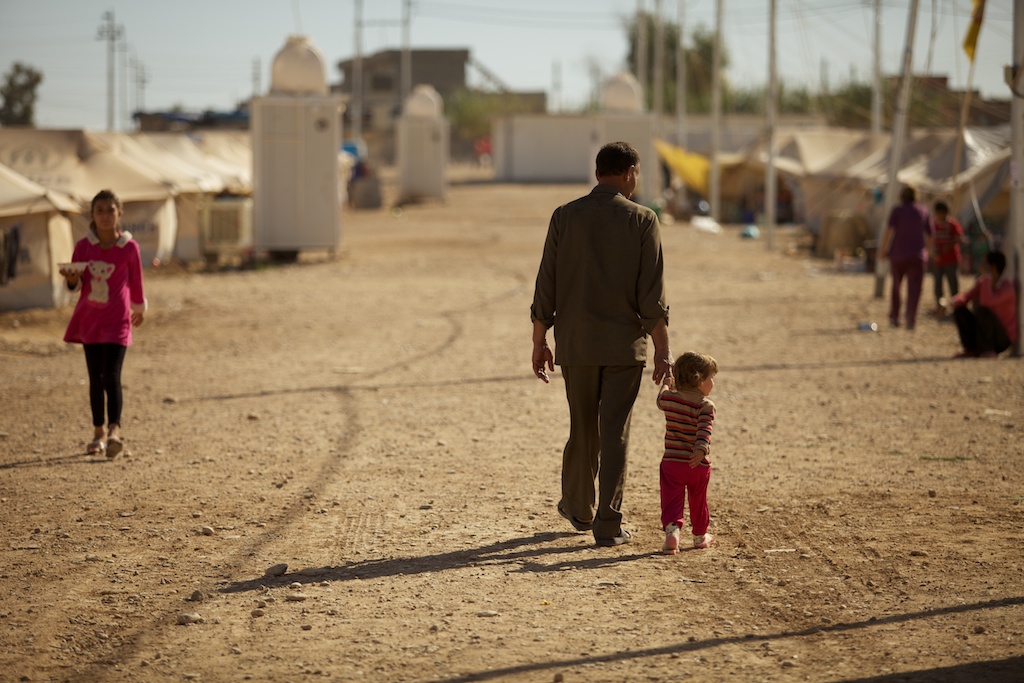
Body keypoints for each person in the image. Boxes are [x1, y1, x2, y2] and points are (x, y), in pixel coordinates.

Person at [531, 141, 672, 547]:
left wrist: (540, 341)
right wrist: (663, 350)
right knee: (615, 434)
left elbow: (547, 284)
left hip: (575, 346)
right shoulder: (643, 220)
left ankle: (578, 506)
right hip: (623, 349)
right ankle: (607, 525)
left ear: (598, 174)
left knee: (582, 426)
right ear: (630, 173)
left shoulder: (564, 217)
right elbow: (652, 297)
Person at [61, 189, 147, 457]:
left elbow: (136, 281)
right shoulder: (83, 247)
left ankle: (114, 432)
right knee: (95, 378)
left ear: (119, 213)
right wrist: (71, 277)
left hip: (118, 320)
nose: (106, 215)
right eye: (100, 210)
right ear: (92, 215)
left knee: (112, 375)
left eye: (111, 210)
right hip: (90, 320)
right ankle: (98, 432)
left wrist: (140, 306)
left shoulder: (129, 247)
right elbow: (75, 285)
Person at [657, 351, 718, 554]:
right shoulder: (705, 405)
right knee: (698, 499)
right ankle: (700, 536)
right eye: (711, 378)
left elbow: (660, 400)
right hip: (697, 464)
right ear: (698, 379)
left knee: (671, 497)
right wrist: (701, 450)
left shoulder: (670, 399)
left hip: (672, 462)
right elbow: (704, 430)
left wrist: (667, 384)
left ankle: (672, 531)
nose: (713, 383)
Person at [880, 186, 932, 330]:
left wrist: (883, 250)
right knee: (914, 289)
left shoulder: (897, 210)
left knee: (896, 286)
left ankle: (895, 317)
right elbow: (931, 235)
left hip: (898, 255)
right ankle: (911, 318)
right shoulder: (923, 210)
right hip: (917, 256)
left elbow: (888, 231)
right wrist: (926, 251)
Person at [949, 250, 1017, 358]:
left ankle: (988, 350)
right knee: (960, 310)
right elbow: (967, 295)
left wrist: (987, 277)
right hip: (985, 333)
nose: (981, 266)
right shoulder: (983, 282)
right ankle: (971, 349)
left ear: (993, 267)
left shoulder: (1006, 287)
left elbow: (987, 302)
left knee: (983, 311)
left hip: (1002, 337)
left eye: (985, 264)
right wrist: (953, 301)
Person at [930, 200, 965, 314]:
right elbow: (929, 240)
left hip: (951, 259)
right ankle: (940, 306)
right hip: (938, 260)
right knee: (938, 284)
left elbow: (960, 237)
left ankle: (956, 305)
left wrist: (949, 245)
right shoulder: (933, 225)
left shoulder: (952, 224)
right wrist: (933, 252)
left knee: (953, 283)